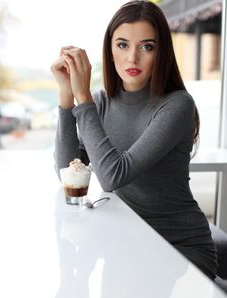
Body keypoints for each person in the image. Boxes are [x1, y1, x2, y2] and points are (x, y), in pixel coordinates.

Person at [51, 0, 217, 280]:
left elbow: (114, 176)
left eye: (147, 47)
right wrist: (67, 98)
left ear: (161, 52)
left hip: (178, 246)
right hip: (129, 242)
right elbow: (68, 171)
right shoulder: (102, 102)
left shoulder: (177, 105)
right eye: (123, 45)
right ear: (110, 50)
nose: (132, 59)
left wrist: (83, 100)